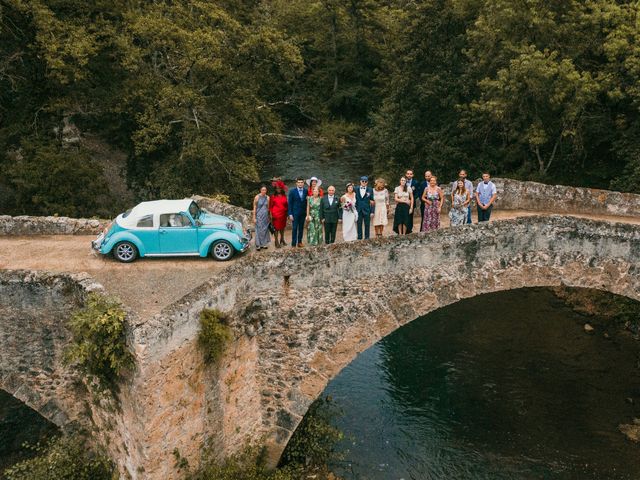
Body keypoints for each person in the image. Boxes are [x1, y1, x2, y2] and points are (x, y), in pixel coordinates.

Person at [288, 177, 308, 247]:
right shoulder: (292, 191)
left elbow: (307, 202)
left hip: (303, 213)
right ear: (296, 183)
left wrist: (307, 213)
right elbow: (290, 203)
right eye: (299, 182)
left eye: (301, 182)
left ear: (303, 183)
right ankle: (293, 243)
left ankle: (299, 242)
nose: (300, 184)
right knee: (294, 228)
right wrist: (290, 214)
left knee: (301, 228)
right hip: (295, 213)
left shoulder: (306, 191)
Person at [269, 180, 288, 248]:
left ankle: (282, 239)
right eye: (277, 188)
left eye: (279, 188)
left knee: (282, 228)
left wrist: (287, 213)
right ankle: (276, 241)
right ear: (275, 189)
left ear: (282, 189)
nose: (278, 189)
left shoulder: (284, 196)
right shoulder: (273, 196)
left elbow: (286, 205)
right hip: (276, 215)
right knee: (276, 229)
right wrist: (271, 215)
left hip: (283, 214)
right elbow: (270, 207)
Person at [355, 176, 375, 240]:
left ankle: (367, 238)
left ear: (367, 182)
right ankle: (359, 238)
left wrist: (372, 211)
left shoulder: (370, 189)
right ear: (360, 181)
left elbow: (372, 201)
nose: (364, 182)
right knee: (359, 225)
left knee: (367, 225)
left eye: (365, 181)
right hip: (358, 210)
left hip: (367, 210)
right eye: (362, 181)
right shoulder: (356, 189)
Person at [252, 186, 271, 250]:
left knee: (265, 229)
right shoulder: (257, 197)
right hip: (259, 215)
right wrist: (254, 217)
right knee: (258, 229)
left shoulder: (268, 197)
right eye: (262, 190)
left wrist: (269, 216)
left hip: (265, 215)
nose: (264, 191)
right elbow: (254, 207)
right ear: (260, 190)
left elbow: (268, 208)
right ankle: (258, 244)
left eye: (265, 190)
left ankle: (264, 243)